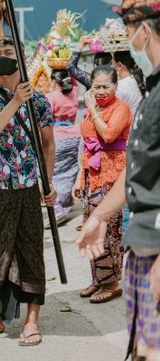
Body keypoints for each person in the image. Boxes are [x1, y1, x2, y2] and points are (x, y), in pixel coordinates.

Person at [78, 0, 160, 360]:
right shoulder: (153, 91)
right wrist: (99, 215)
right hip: (142, 242)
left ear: (143, 30)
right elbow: (137, 167)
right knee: (141, 349)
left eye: (127, 31)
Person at [0, 36, 56, 347]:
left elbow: (48, 145)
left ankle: (32, 321)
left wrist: (48, 182)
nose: (3, 57)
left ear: (21, 57)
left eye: (9, 52)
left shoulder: (41, 101)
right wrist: (15, 101)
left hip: (28, 185)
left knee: (31, 250)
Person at [72, 65, 131, 304]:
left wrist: (93, 111)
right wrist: (80, 176)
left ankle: (112, 282)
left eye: (106, 86)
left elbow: (108, 136)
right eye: (96, 87)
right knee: (90, 229)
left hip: (112, 175)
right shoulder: (92, 109)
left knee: (109, 232)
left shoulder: (121, 108)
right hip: (91, 176)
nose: (101, 91)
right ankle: (98, 278)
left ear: (115, 86)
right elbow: (87, 144)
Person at [46, 68, 81, 224]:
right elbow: (74, 79)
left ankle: (58, 208)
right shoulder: (74, 93)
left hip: (57, 137)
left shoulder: (50, 97)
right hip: (74, 137)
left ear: (54, 81)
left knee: (55, 173)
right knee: (69, 171)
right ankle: (65, 205)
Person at [111, 50, 145, 114]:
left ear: (119, 66)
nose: (111, 66)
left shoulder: (120, 86)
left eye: (112, 63)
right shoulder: (136, 78)